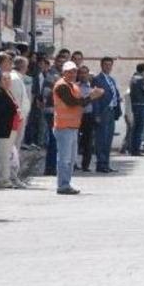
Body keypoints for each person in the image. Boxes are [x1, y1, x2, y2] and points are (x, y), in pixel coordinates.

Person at [52, 61, 104, 195]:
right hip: (64, 126)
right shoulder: (62, 86)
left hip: (73, 126)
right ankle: (63, 185)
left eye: (74, 71)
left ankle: (66, 183)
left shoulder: (73, 86)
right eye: (69, 71)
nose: (72, 74)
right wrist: (92, 96)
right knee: (64, 158)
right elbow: (73, 103)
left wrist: (90, 96)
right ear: (63, 72)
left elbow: (81, 102)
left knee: (71, 158)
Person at [0, 73, 24, 188]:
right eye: (4, 79)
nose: (7, 81)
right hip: (3, 130)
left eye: (8, 79)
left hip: (12, 128)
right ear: (0, 81)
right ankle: (4, 179)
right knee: (4, 155)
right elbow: (1, 112)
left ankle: (3, 178)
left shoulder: (9, 93)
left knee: (7, 155)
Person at [91, 57, 122, 173]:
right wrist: (97, 113)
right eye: (106, 65)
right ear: (101, 65)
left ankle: (106, 163)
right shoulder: (97, 79)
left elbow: (115, 94)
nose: (108, 67)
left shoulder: (111, 80)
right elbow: (95, 99)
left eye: (110, 65)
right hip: (103, 110)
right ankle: (101, 163)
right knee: (101, 138)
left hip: (111, 110)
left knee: (109, 138)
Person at [76, 66, 97, 171]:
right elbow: (79, 103)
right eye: (81, 73)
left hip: (89, 116)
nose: (83, 75)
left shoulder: (93, 87)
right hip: (77, 116)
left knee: (88, 141)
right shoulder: (75, 87)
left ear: (88, 74)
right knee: (75, 140)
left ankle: (86, 165)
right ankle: (74, 163)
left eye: (85, 73)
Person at [128, 63, 144, 157]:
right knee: (140, 128)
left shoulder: (133, 78)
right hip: (140, 104)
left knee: (134, 128)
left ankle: (132, 149)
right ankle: (136, 150)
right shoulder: (142, 79)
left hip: (133, 104)